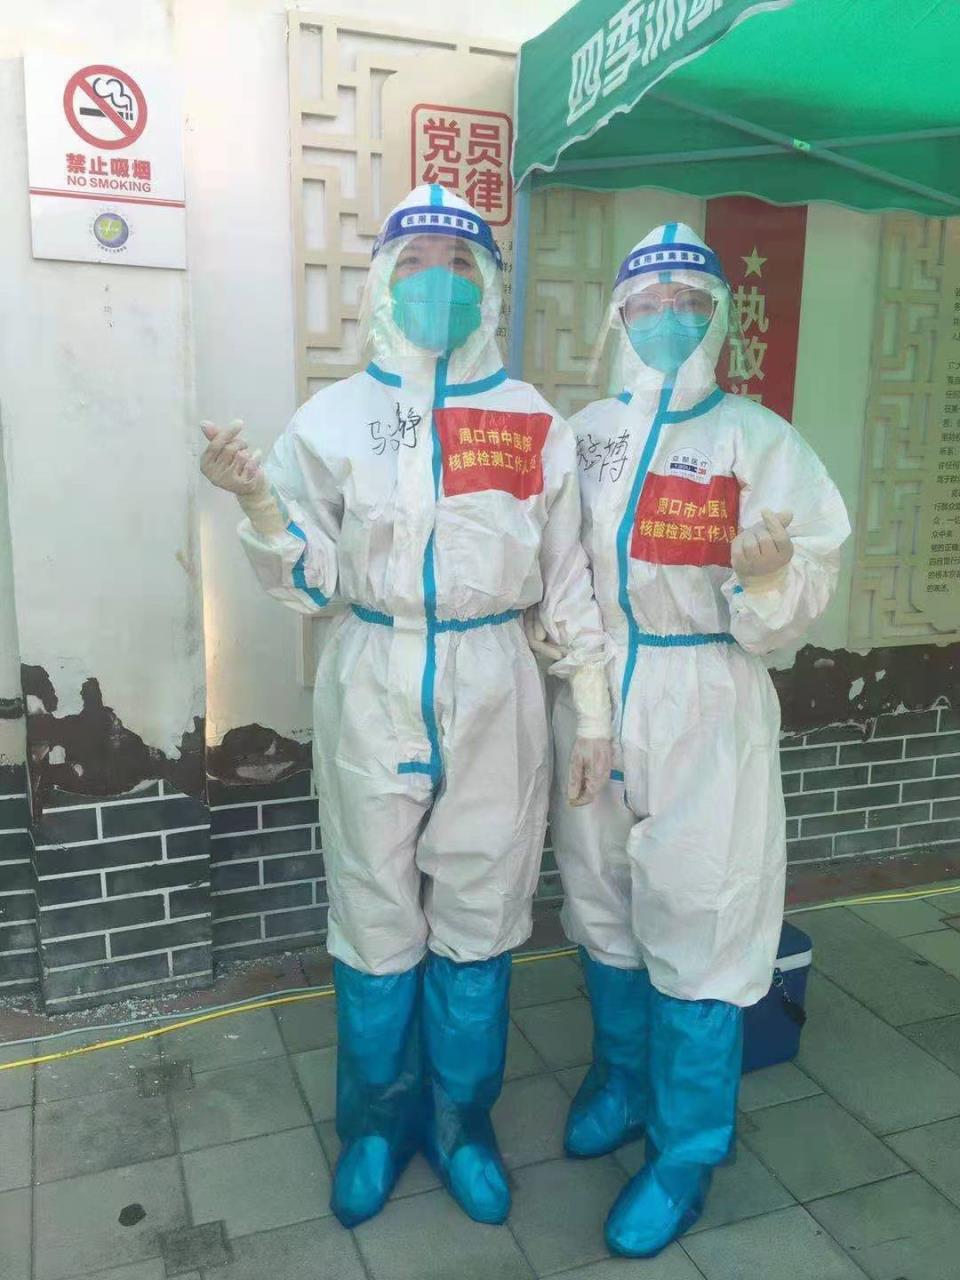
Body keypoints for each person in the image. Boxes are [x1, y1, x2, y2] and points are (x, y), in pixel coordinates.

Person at [198, 184, 612, 1229]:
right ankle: (377, 1126)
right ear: (383, 281)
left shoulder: (531, 420)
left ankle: (464, 1123)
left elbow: (565, 575)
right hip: (375, 671)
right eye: (417, 260)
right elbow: (312, 579)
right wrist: (258, 501)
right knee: (373, 906)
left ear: (490, 287)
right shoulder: (332, 419)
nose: (439, 280)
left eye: (460, 264)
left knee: (481, 907)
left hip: (495, 677)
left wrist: (595, 703)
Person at [530, 223, 850, 1258]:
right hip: (598, 695)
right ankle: (622, 1079)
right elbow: (560, 571)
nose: (667, 316)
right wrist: (587, 699)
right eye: (648, 301)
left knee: (702, 916)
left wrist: (766, 579)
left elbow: (805, 582)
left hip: (708, 696)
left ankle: (685, 1152)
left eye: (688, 301)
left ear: (717, 318)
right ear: (617, 317)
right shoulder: (586, 435)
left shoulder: (760, 441)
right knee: (600, 896)